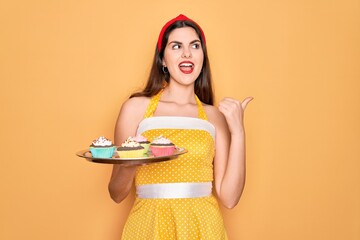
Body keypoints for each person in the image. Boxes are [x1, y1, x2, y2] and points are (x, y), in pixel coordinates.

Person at [108, 14, 253, 239]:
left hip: (203, 227)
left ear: (202, 57)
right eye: (176, 46)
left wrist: (238, 132)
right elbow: (116, 194)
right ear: (163, 60)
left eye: (194, 46)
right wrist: (130, 164)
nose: (187, 53)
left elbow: (230, 198)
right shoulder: (135, 109)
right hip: (149, 226)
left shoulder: (214, 117)